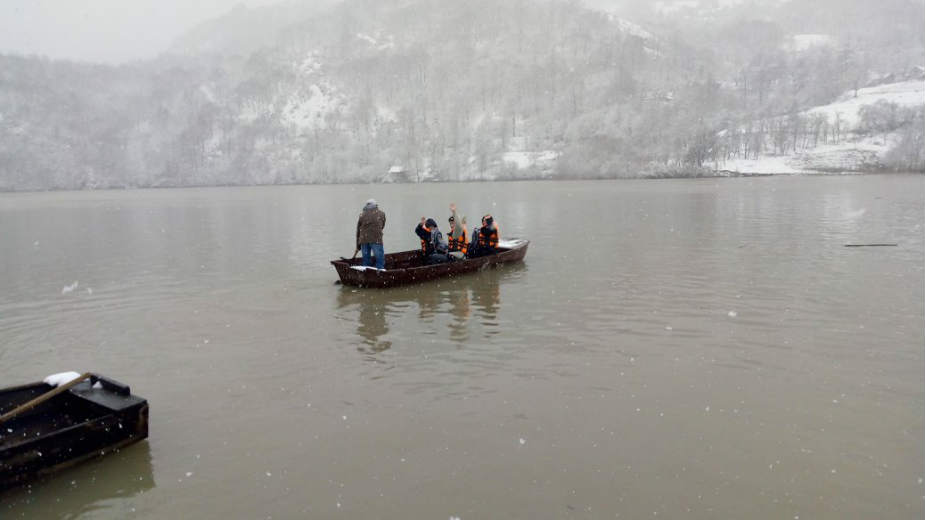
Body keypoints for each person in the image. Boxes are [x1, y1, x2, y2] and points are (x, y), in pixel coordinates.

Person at [355, 198, 386, 270]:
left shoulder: (362, 215)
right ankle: (380, 273)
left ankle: (366, 274)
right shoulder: (382, 213)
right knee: (379, 259)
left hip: (364, 240)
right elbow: (382, 226)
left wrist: (358, 246)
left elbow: (358, 231)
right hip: (376, 239)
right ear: (376, 205)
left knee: (366, 260)